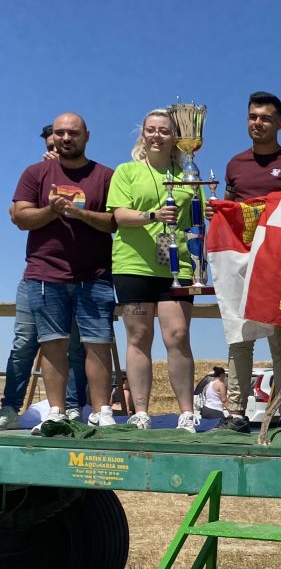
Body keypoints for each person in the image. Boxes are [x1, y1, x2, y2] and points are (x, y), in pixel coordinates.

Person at [9, 113, 116, 434]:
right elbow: (21, 217)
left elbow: (114, 221)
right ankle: (55, 411)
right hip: (45, 273)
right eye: (60, 133)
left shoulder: (105, 175)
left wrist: (81, 214)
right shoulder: (36, 173)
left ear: (87, 135)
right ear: (53, 137)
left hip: (94, 275)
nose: (66, 138)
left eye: (73, 132)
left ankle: (101, 411)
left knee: (97, 344)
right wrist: (50, 211)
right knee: (51, 344)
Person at [107, 109, 204, 432]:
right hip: (133, 265)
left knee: (177, 335)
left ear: (176, 137)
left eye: (164, 131)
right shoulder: (127, 171)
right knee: (139, 335)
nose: (157, 136)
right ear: (142, 134)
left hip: (179, 266)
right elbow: (119, 215)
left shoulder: (189, 174)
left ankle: (187, 412)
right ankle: (141, 412)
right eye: (151, 130)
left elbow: (198, 219)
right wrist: (153, 216)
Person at [216, 91, 281, 432]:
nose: (258, 122)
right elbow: (227, 210)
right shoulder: (234, 164)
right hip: (239, 264)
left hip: (279, 264)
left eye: (265, 118)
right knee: (239, 339)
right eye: (253, 116)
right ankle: (235, 412)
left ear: (279, 123)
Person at [0, 126, 89, 430]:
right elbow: (15, 215)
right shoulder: (37, 173)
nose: (58, 147)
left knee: (76, 345)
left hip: (79, 275)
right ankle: (9, 407)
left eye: (63, 141)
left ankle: (75, 407)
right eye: (51, 144)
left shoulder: (85, 174)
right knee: (23, 342)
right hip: (36, 275)